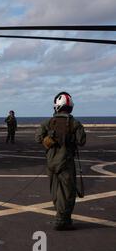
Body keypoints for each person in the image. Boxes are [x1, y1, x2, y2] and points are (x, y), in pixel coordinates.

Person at [35, 92, 86, 231]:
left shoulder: (48, 123)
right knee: (68, 193)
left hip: (51, 163)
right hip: (66, 163)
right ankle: (62, 220)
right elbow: (82, 141)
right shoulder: (74, 123)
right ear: (70, 107)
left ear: (57, 107)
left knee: (55, 191)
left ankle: (61, 217)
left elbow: (38, 138)